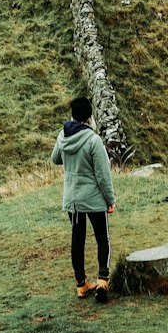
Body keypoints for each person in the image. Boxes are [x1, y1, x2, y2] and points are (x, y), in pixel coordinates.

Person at [51, 95, 116, 302]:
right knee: (102, 238)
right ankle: (103, 280)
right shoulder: (93, 140)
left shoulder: (63, 135)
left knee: (77, 239)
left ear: (72, 115)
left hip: (73, 200)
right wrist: (110, 199)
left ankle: (81, 285)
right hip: (94, 199)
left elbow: (56, 158)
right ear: (89, 116)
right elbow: (103, 174)